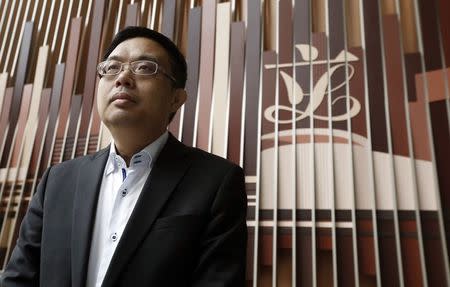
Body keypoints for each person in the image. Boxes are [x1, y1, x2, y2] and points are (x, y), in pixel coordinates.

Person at [1, 26, 247, 287]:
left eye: (144, 68)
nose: (123, 78)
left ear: (176, 99)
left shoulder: (216, 181)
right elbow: (19, 279)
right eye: (111, 68)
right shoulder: (57, 181)